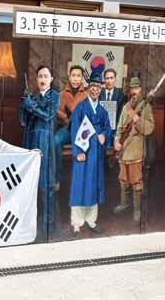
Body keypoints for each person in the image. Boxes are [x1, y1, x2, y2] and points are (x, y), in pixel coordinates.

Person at [68, 73, 112, 237]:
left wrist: (104, 136)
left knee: (93, 184)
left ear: (101, 89)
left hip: (96, 153)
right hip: (83, 150)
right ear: (88, 88)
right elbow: (74, 129)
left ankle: (91, 220)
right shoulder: (80, 107)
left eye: (98, 87)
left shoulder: (103, 111)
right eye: (92, 86)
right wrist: (78, 152)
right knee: (80, 183)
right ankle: (77, 222)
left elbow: (107, 129)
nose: (95, 89)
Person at [19, 65, 60, 238]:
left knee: (45, 185)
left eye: (45, 76)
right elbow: (23, 122)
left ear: (51, 79)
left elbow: (46, 115)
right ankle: (31, 226)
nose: (42, 79)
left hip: (45, 143)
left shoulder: (55, 96)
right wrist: (23, 105)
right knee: (31, 185)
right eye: (40, 76)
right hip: (30, 141)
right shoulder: (33, 97)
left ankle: (47, 227)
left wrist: (31, 105)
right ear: (36, 80)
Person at [113, 76, 155, 223]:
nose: (134, 91)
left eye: (137, 88)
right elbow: (119, 127)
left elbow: (149, 128)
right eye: (132, 88)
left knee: (137, 182)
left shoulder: (146, 106)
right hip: (123, 149)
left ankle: (137, 209)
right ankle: (124, 203)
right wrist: (116, 141)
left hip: (136, 149)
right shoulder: (126, 107)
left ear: (140, 89)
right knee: (123, 180)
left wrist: (137, 119)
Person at [53, 65, 88, 190]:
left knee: (86, 146)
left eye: (78, 76)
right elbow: (57, 110)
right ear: (69, 77)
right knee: (55, 141)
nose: (75, 79)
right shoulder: (62, 94)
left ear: (82, 78)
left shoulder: (87, 94)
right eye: (73, 76)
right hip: (67, 128)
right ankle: (57, 179)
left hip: (81, 130)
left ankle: (82, 181)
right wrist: (66, 118)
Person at [100, 68, 127, 165]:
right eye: (107, 78)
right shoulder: (99, 94)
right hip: (102, 128)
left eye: (111, 78)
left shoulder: (122, 96)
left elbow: (122, 117)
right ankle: (101, 166)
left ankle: (110, 166)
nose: (109, 81)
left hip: (115, 128)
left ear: (115, 79)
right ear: (104, 80)